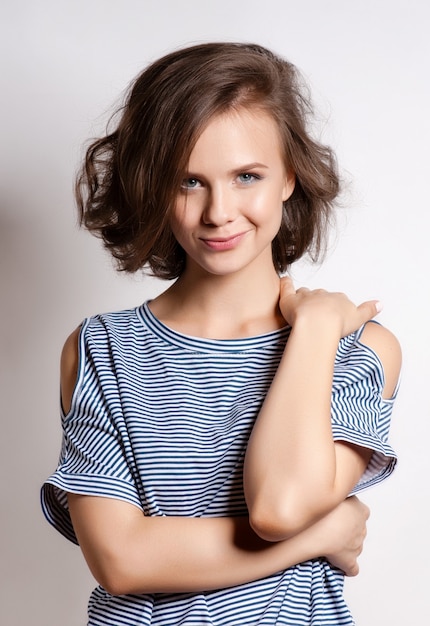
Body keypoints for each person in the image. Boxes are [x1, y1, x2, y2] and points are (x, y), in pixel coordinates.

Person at [41, 42, 401, 626]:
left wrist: (311, 328)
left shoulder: (357, 350)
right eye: (188, 181)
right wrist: (321, 534)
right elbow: (120, 559)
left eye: (246, 176)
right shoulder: (100, 349)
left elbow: (279, 506)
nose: (219, 211)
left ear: (289, 176)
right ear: (154, 185)